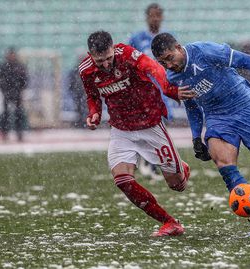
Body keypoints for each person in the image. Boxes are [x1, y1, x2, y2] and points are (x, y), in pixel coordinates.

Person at [151, 33, 250, 237]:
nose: (168, 65)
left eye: (169, 58)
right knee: (224, 165)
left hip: (244, 105)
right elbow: (192, 105)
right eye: (162, 62)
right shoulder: (173, 76)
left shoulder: (204, 51)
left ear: (178, 47)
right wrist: (196, 137)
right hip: (217, 117)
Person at [79, 31, 190, 237]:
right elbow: (92, 97)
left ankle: (180, 168)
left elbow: (155, 68)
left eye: (109, 58)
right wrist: (94, 114)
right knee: (122, 181)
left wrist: (169, 90)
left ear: (113, 48)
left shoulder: (128, 55)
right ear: (90, 54)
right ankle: (169, 222)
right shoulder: (86, 70)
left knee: (177, 185)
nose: (105, 64)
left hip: (150, 125)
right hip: (121, 130)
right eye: (100, 60)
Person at [129, 3, 172, 180]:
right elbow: (128, 61)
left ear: (162, 17)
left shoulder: (168, 38)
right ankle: (142, 161)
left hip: (162, 91)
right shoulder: (137, 38)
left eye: (158, 15)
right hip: (144, 91)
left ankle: (153, 165)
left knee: (161, 130)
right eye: (152, 15)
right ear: (147, 17)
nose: (155, 19)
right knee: (143, 129)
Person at [0, 47, 28, 142]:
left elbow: (25, 80)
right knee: (5, 114)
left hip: (17, 93)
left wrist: (20, 89)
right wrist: (4, 90)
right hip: (6, 93)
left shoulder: (20, 67)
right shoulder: (3, 67)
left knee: (18, 114)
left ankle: (19, 134)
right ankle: (5, 134)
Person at [68, 55, 89, 128]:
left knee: (85, 108)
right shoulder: (75, 70)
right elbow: (71, 82)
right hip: (78, 93)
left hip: (84, 93)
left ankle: (84, 122)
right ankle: (81, 122)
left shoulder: (88, 69)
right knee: (79, 108)